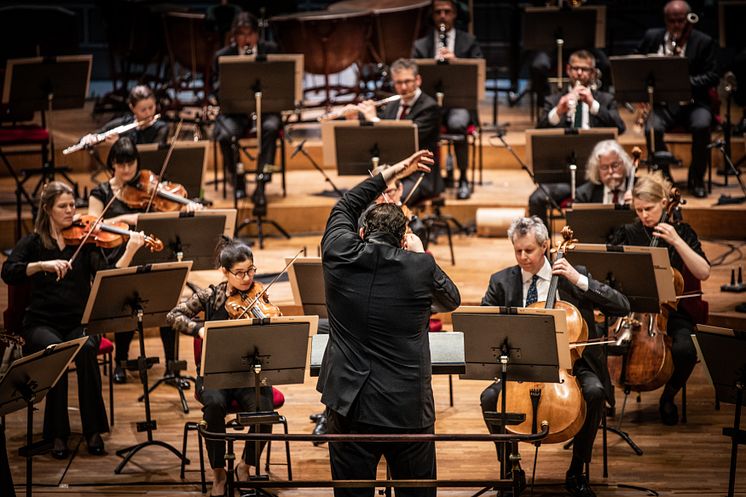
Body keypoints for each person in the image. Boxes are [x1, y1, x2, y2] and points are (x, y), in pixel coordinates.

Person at [318, 150, 461, 497]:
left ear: (363, 231)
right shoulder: (419, 267)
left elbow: (345, 206)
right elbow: (451, 300)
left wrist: (388, 174)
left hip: (349, 404)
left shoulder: (337, 251)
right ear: (402, 240)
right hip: (406, 408)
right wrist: (421, 252)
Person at [480, 216, 630, 497]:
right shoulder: (501, 282)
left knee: (595, 392)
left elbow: (622, 305)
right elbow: (486, 326)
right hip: (521, 369)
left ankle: (577, 471)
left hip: (571, 366)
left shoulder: (573, 276)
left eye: (529, 251)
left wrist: (579, 280)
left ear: (546, 246)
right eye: (517, 251)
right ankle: (511, 469)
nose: (523, 257)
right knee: (489, 399)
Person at [1, 181, 145, 459]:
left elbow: (108, 277)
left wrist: (130, 251)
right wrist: (42, 265)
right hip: (42, 323)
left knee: (87, 348)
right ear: (47, 209)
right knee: (56, 351)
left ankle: (93, 430)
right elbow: (9, 271)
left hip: (79, 321)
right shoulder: (33, 243)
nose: (71, 211)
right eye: (63, 206)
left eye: (72, 205)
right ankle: (57, 433)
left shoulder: (87, 241)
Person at [166, 237, 275, 497]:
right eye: (239, 273)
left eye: (251, 270)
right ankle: (218, 473)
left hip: (249, 374)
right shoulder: (210, 296)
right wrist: (199, 329)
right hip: (215, 374)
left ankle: (245, 465)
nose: (247, 278)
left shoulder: (258, 294)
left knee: (266, 408)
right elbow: (173, 316)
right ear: (224, 272)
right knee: (214, 407)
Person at [88, 137, 201, 384]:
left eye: (131, 163)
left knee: (167, 306)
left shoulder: (148, 187)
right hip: (121, 257)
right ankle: (121, 362)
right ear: (112, 164)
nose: (127, 169)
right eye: (121, 163)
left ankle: (172, 368)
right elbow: (93, 225)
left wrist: (188, 208)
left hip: (154, 253)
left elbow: (170, 214)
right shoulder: (101, 192)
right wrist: (131, 218)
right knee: (128, 308)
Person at [609, 172, 710, 425]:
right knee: (601, 344)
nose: (644, 215)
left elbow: (704, 271)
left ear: (665, 204)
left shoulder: (682, 233)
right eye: (639, 209)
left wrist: (676, 241)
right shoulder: (628, 232)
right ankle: (607, 399)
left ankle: (669, 396)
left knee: (686, 350)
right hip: (631, 311)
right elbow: (610, 272)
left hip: (671, 313)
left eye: (649, 208)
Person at [528, 50, 626, 225]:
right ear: (568, 70)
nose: (579, 73)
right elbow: (538, 131)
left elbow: (620, 128)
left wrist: (592, 104)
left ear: (593, 73)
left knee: (588, 200)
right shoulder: (554, 100)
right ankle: (544, 248)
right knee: (536, 199)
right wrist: (559, 111)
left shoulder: (605, 100)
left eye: (585, 69)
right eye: (575, 68)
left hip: (597, 176)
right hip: (563, 176)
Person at [637, 0, 719, 198]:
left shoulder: (703, 41)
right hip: (663, 105)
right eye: (672, 21)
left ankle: (696, 178)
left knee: (701, 126)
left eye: (680, 21)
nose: (676, 25)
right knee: (652, 129)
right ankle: (665, 179)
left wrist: (683, 81)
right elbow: (637, 63)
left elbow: (713, 75)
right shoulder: (652, 37)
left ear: (688, 20)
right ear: (665, 21)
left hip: (694, 103)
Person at [343, 59, 442, 206]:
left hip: (418, 176)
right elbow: (377, 133)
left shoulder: (429, 107)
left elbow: (403, 140)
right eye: (398, 83)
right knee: (358, 199)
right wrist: (356, 117)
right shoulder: (393, 105)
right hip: (391, 173)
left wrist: (373, 118)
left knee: (384, 204)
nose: (403, 87)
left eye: (407, 81)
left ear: (418, 80)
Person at [412, 0, 484, 199]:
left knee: (458, 122)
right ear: (432, 16)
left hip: (458, 102)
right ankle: (428, 179)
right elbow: (412, 75)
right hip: (430, 103)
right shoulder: (420, 45)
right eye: (438, 12)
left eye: (447, 12)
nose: (442, 16)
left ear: (454, 15)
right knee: (420, 123)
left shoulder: (468, 41)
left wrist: (457, 63)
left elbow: (479, 72)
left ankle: (462, 178)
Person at [212, 12, 281, 198]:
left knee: (272, 128)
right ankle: (238, 180)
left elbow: (281, 82)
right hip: (236, 113)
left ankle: (262, 182)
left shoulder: (272, 50)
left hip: (266, 110)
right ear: (234, 36)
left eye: (250, 33)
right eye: (241, 34)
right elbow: (215, 88)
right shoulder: (223, 56)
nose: (247, 38)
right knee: (225, 135)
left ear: (257, 34)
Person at [80, 85, 167, 147]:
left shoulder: (161, 128)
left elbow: (151, 154)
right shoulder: (124, 123)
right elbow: (99, 132)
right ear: (132, 108)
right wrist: (90, 139)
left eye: (151, 108)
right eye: (143, 110)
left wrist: (120, 145)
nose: (148, 113)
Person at [574, 139, 635, 205]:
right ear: (597, 170)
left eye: (615, 165)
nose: (610, 171)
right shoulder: (584, 195)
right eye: (604, 167)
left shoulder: (639, 188)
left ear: (624, 164)